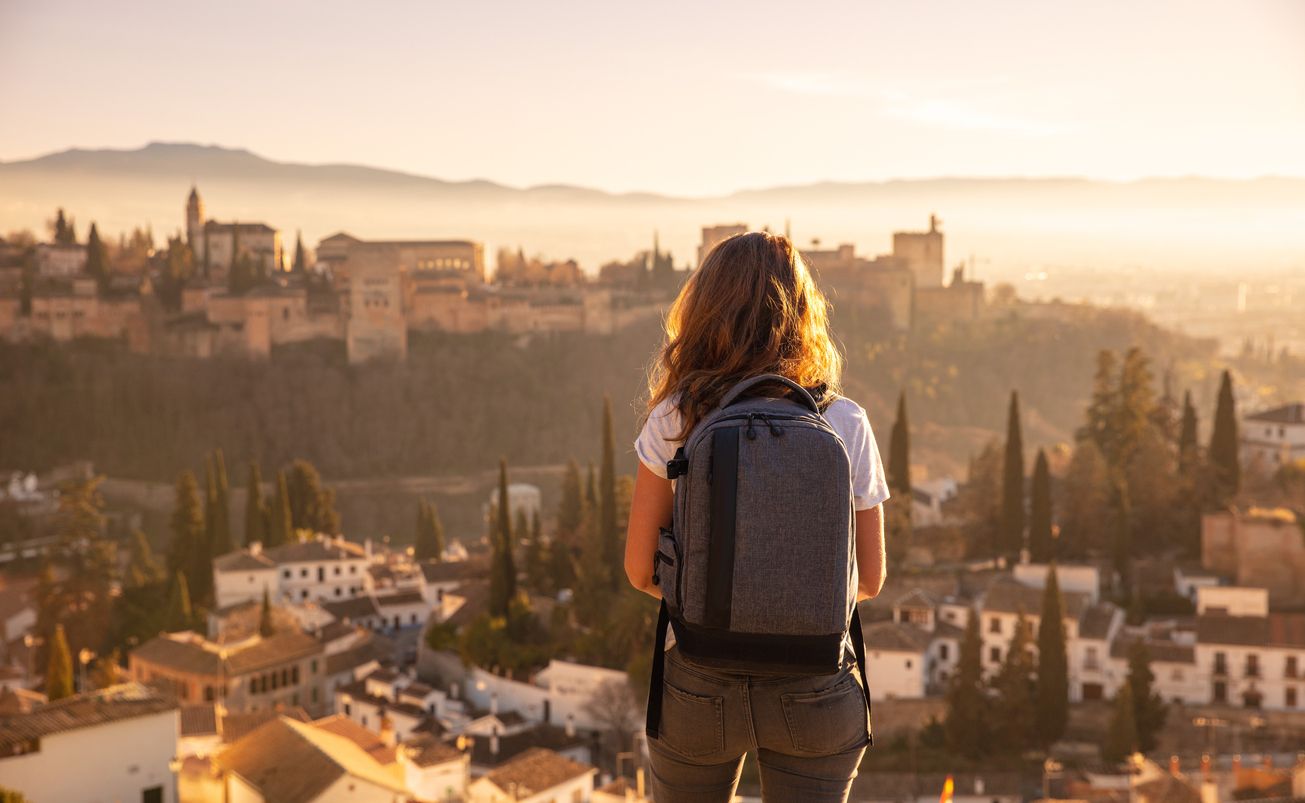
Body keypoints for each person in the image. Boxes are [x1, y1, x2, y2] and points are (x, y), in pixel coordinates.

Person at [625, 231, 890, 802]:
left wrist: (717, 602)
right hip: (817, 686)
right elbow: (868, 581)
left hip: (699, 679)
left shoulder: (676, 417)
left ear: (703, 311)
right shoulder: (844, 422)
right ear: (803, 313)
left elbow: (640, 570)